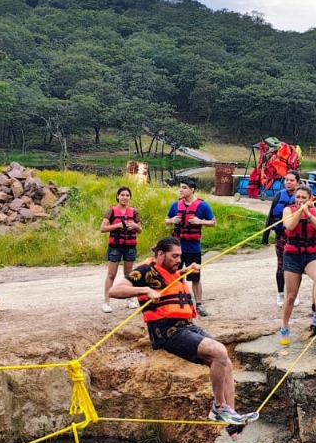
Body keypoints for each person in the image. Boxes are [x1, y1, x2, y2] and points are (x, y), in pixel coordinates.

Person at [108, 236, 254, 425]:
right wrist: (145, 290)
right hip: (167, 331)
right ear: (160, 254)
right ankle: (219, 408)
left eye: (180, 256)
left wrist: (186, 269)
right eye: (174, 256)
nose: (178, 260)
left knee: (225, 362)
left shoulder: (172, 270)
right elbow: (114, 291)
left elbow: (169, 282)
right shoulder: (145, 271)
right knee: (218, 351)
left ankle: (231, 419)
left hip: (186, 326)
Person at [278, 184, 316, 345]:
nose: (300, 200)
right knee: (291, 296)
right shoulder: (288, 210)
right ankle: (285, 328)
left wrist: (308, 213)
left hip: (310, 255)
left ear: (310, 199)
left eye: (303, 198)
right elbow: (290, 226)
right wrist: (300, 210)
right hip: (292, 256)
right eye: (298, 197)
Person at [165, 178, 216, 316]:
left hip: (193, 247)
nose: (181, 190)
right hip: (177, 248)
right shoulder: (175, 205)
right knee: (176, 275)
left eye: (184, 187)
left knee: (195, 277)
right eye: (180, 187)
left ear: (192, 189)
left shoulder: (203, 206)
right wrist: (171, 220)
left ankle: (199, 304)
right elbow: (167, 220)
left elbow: (213, 222)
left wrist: (200, 221)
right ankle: (178, 301)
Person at [99, 185, 143, 313]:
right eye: (122, 195)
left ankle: (130, 299)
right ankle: (106, 302)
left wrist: (134, 225)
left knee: (128, 275)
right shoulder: (111, 211)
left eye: (127, 195)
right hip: (115, 247)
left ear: (130, 198)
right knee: (111, 274)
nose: (125, 197)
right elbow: (103, 228)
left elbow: (139, 230)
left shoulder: (134, 212)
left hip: (130, 247)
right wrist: (118, 225)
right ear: (118, 196)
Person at [263, 171, 300, 307]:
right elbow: (270, 215)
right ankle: (280, 294)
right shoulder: (279, 195)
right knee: (281, 266)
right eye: (287, 180)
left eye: (292, 180)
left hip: (296, 237)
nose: (288, 182)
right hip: (281, 237)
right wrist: (265, 235)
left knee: (295, 267)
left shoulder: (300, 196)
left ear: (297, 182)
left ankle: (294, 294)